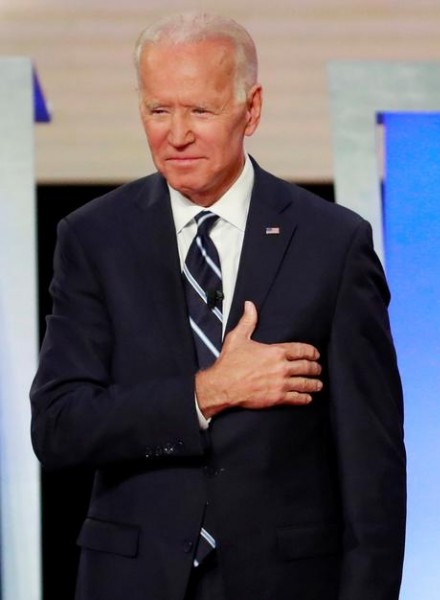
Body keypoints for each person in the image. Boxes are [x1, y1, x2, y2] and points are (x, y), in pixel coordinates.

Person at [30, 12, 405, 600]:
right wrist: (207, 392)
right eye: (159, 110)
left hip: (285, 581)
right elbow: (59, 427)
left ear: (251, 110)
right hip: (133, 579)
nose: (176, 134)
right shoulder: (93, 239)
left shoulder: (332, 244)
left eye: (200, 111)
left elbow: (372, 463)